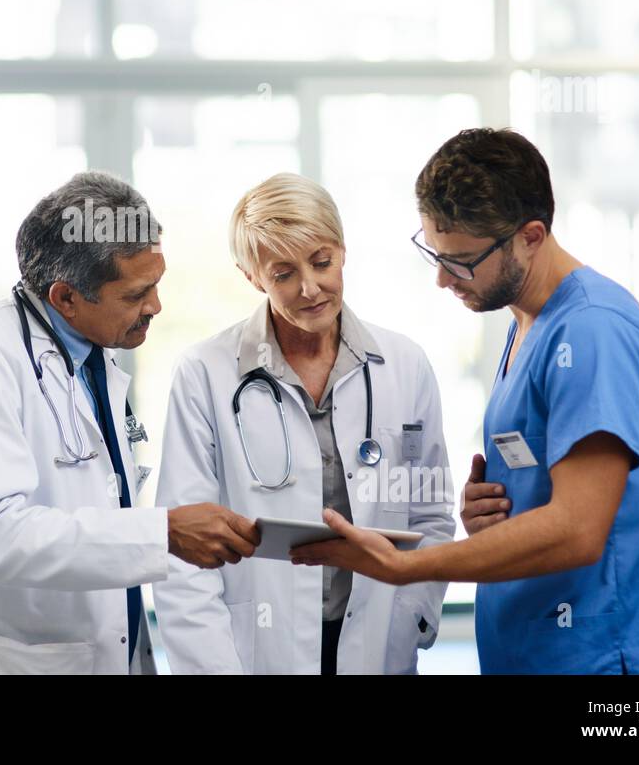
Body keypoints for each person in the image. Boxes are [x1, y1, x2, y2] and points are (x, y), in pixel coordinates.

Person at [293, 129, 639, 675]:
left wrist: (406, 566)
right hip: (543, 651)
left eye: (463, 261)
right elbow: (552, 486)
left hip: (613, 661)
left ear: (531, 236)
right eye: (436, 255)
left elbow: (577, 529)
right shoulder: (526, 322)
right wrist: (493, 508)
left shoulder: (592, 331)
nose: (443, 279)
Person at [0, 171, 259, 674]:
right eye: (135, 295)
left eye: (156, 285)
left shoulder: (93, 357)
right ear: (65, 297)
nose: (155, 306)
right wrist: (161, 533)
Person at [153, 173, 453, 674]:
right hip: (255, 652)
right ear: (252, 276)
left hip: (377, 641)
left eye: (321, 262)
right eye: (283, 273)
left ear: (342, 251)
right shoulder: (205, 373)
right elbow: (184, 551)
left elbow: (430, 514)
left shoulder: (404, 364)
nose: (310, 289)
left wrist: (413, 618)